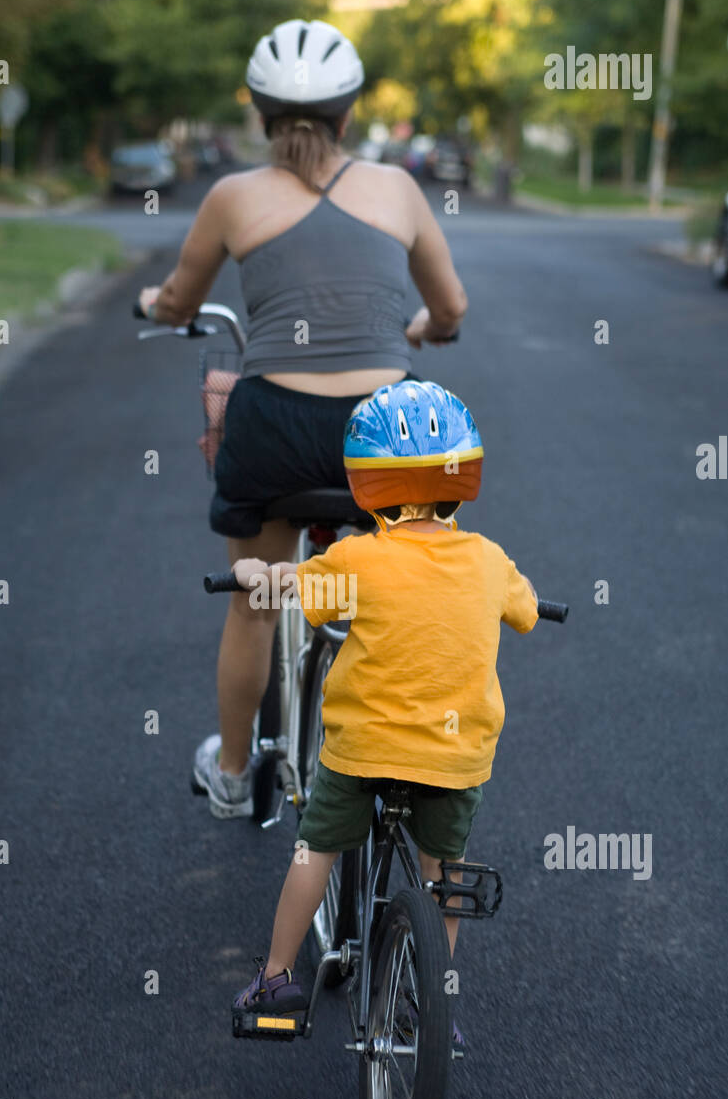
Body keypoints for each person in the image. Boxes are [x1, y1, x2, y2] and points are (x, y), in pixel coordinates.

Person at [137, 19, 468, 818]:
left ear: (258, 114)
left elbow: (179, 300)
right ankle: (414, 759)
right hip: (390, 428)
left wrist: (155, 303)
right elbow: (449, 310)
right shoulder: (396, 189)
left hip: (277, 425)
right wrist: (419, 332)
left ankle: (232, 771)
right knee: (408, 591)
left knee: (254, 597)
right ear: (348, 116)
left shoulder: (232, 196)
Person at [228, 380, 538, 1034]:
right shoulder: (487, 560)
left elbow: (293, 589)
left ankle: (278, 986)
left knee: (315, 850)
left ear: (365, 485)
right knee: (443, 874)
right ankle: (424, 1000)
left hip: (361, 752)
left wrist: (260, 575)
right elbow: (528, 613)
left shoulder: (358, 561)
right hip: (454, 758)